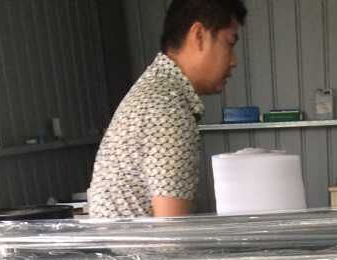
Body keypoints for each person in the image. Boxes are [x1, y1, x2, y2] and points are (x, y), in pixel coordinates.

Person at [88, 0, 246, 219]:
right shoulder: (168, 110)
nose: (234, 61)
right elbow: (171, 234)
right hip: (138, 244)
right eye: (229, 43)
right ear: (199, 36)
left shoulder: (156, 91)